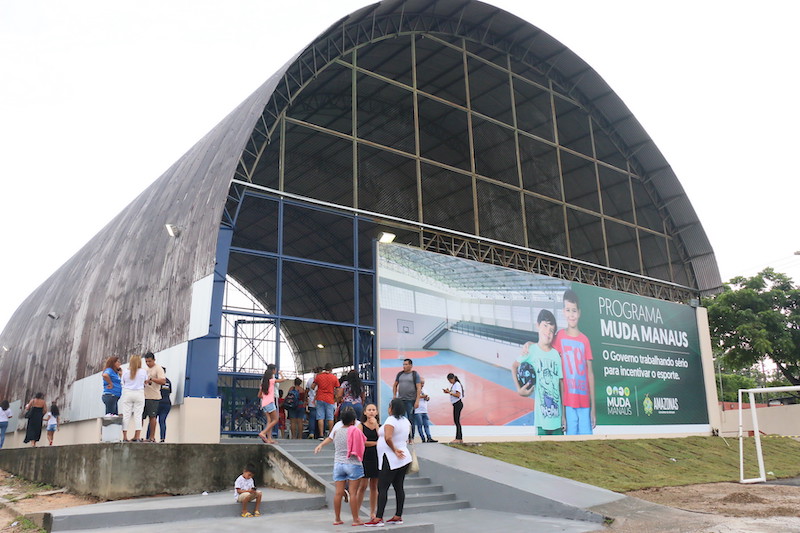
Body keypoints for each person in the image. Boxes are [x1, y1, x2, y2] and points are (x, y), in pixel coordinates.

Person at [553, 289, 595, 435]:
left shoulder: (585, 340)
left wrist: (593, 409)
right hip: (568, 403)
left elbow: (590, 375)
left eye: (574, 311)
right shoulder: (559, 337)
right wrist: (562, 413)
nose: (571, 314)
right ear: (564, 312)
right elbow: (545, 349)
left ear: (579, 313)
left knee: (587, 444)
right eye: (568, 310)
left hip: (584, 403)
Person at [314, 406, 366, 526]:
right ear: (353, 420)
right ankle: (355, 519)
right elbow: (361, 445)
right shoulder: (356, 430)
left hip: (338, 464)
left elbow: (331, 440)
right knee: (353, 493)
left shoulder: (337, 431)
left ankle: (337, 518)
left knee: (338, 493)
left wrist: (320, 445)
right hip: (353, 464)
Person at [516, 309, 565, 435]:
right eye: (545, 326)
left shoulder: (556, 355)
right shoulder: (531, 350)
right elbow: (514, 366)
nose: (548, 332)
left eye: (551, 330)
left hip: (558, 420)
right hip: (541, 420)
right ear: (538, 325)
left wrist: (564, 416)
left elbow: (561, 387)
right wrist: (519, 389)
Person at [365, 398, 412, 527]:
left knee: (382, 487)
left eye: (389, 406)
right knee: (398, 487)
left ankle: (378, 518)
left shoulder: (391, 420)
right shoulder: (405, 421)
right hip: (403, 458)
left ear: (392, 408)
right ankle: (398, 515)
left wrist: (394, 450)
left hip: (391, 458)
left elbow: (388, 437)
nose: (388, 408)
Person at [356, 403, 380, 521]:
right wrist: (375, 443)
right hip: (364, 458)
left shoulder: (379, 426)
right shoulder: (360, 426)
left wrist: (376, 425)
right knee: (363, 486)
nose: (371, 412)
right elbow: (360, 442)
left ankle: (372, 512)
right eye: (369, 410)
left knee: (374, 486)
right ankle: (357, 511)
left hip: (376, 457)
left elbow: (382, 438)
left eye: (373, 410)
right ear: (364, 412)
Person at [392, 359, 421, 442]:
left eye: (406, 364)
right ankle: (401, 437)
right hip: (401, 400)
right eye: (403, 364)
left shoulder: (415, 375)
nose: (404, 366)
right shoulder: (400, 374)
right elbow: (395, 385)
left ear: (411, 365)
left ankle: (411, 437)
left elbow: (418, 388)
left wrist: (417, 400)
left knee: (410, 419)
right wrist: (394, 395)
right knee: (400, 418)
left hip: (410, 400)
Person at [120, 354, 148, 442]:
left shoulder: (125, 371)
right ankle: (137, 436)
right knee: (138, 415)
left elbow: (123, 382)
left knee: (126, 415)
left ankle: (124, 437)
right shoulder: (143, 371)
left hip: (128, 392)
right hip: (139, 393)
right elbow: (146, 382)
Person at [257, 365, 286, 444]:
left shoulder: (263, 384)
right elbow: (283, 380)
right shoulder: (272, 381)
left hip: (264, 403)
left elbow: (259, 395)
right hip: (270, 402)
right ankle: (263, 432)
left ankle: (269, 438)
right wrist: (281, 374)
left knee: (269, 420)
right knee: (275, 419)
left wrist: (265, 396)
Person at [143, 352, 167, 443]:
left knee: (152, 416)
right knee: (141, 416)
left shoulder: (158, 368)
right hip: (144, 396)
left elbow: (163, 381)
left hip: (154, 396)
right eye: (146, 361)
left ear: (154, 360)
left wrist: (152, 379)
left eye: (149, 361)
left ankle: (152, 437)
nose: (148, 363)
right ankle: (139, 436)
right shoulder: (145, 370)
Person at [313, 363, 340, 439]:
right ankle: (330, 435)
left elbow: (312, 386)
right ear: (331, 369)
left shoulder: (319, 376)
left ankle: (321, 435)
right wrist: (335, 396)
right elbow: (338, 389)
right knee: (330, 418)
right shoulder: (334, 378)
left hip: (320, 398)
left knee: (320, 417)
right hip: (330, 399)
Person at [147, 367, 172, 442]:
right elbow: (169, 392)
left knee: (152, 419)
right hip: (167, 403)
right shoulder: (168, 381)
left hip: (157, 402)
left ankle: (149, 437)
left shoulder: (157, 381)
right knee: (162, 421)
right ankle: (162, 438)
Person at [443, 373, 464, 443]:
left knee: (457, 421)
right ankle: (459, 438)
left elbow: (458, 395)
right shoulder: (454, 385)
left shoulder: (457, 384)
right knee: (456, 421)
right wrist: (448, 392)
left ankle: (458, 438)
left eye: (449, 380)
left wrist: (450, 392)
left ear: (452, 379)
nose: (449, 382)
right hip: (456, 404)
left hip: (458, 403)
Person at [414, 377, 436, 443]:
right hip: (417, 411)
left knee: (426, 425)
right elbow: (415, 396)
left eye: (423, 383)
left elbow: (426, 398)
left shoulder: (425, 390)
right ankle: (423, 438)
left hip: (424, 410)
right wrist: (423, 396)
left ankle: (429, 437)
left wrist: (427, 398)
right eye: (421, 383)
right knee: (420, 425)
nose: (422, 384)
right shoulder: (415, 389)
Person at [305, 367, 320, 439]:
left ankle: (311, 433)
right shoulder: (322, 379)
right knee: (320, 418)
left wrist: (305, 400)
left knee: (312, 418)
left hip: (311, 401)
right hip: (320, 401)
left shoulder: (310, 380)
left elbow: (307, 390)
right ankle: (319, 433)